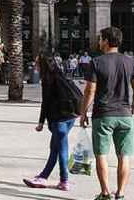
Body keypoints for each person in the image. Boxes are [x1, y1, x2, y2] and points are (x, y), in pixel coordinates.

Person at [79, 27, 134, 200]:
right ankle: (120, 194)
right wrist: (133, 108)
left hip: (103, 115)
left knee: (101, 155)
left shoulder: (96, 62)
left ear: (106, 41)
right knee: (124, 156)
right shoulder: (131, 62)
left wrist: (83, 112)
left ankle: (105, 193)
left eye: (100, 39)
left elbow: (90, 91)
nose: (99, 41)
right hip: (125, 115)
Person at [24, 54, 80, 191]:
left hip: (59, 119)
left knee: (61, 149)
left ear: (43, 65)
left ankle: (64, 181)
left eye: (37, 63)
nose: (35, 65)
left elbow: (46, 102)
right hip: (71, 117)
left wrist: (41, 122)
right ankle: (43, 177)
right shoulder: (62, 75)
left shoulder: (48, 80)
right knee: (55, 148)